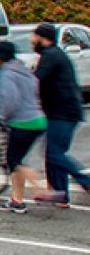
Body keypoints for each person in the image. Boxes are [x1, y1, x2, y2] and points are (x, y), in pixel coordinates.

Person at [30, 22, 90, 207]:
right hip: (61, 111)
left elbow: (36, 81)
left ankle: (85, 182)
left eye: (34, 36)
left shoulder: (51, 56)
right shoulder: (53, 55)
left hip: (63, 112)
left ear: (43, 38)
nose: (32, 40)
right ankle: (61, 195)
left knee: (54, 153)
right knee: (52, 153)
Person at [0, 39, 47, 214]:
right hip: (38, 119)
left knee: (14, 161)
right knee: (16, 160)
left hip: (22, 122)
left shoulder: (6, 73)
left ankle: (42, 189)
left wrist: (0, 116)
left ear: (0, 57)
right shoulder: (25, 71)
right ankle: (17, 200)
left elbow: (9, 98)